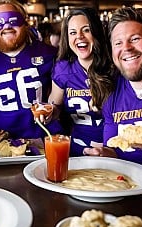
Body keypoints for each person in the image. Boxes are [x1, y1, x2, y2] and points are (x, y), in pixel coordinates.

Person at [83, 7, 142, 176]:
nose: (126, 48)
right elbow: (115, 151)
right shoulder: (111, 90)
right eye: (118, 43)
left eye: (134, 39)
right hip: (131, 186)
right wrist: (104, 154)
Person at [0, 0, 61, 140]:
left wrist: (54, 109)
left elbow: (63, 91)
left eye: (13, 20)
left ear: (25, 23)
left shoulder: (48, 54)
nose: (6, 26)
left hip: (41, 139)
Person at [48, 8, 116, 156]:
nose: (79, 37)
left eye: (86, 30)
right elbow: (55, 107)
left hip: (114, 151)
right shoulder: (63, 69)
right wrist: (49, 112)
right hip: (78, 149)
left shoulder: (115, 66)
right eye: (73, 32)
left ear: (96, 32)